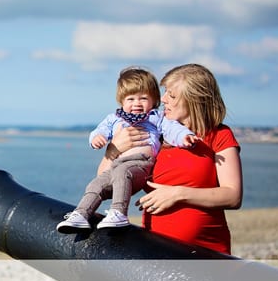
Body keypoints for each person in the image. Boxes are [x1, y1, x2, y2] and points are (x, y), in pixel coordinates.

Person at [108, 63, 242, 254]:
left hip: (207, 250)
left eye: (171, 95)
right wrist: (113, 150)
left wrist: (177, 194)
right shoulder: (155, 134)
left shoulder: (219, 135)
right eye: (164, 93)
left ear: (194, 99)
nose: (163, 99)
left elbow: (233, 196)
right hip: (154, 247)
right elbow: (108, 182)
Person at [58, 67, 199, 231]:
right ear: (122, 101)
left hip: (141, 162)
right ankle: (81, 214)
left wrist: (184, 137)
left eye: (143, 98)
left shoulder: (156, 118)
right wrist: (97, 139)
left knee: (123, 172)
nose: (137, 103)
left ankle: (118, 212)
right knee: (96, 184)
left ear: (154, 100)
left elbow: (172, 129)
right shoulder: (114, 118)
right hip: (117, 163)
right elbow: (100, 130)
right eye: (131, 99)